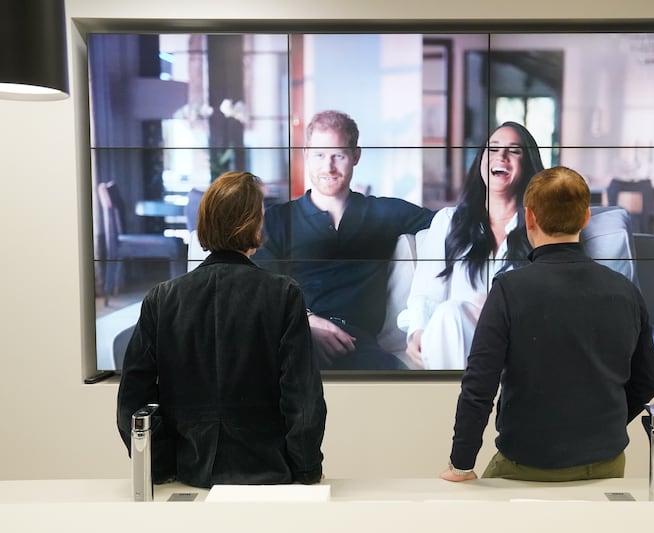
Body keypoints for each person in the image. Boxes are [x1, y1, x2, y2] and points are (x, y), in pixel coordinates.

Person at [441, 166, 654, 483]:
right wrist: (603, 426)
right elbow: (648, 381)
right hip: (606, 466)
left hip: (526, 467)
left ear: (529, 218)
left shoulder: (508, 289)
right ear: (585, 218)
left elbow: (479, 387)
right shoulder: (625, 290)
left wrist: (460, 464)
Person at [117, 171, 326, 489]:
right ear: (254, 223)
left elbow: (133, 400)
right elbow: (303, 398)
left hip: (188, 474)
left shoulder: (162, 298)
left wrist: (159, 466)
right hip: (268, 475)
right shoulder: (283, 293)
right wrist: (307, 470)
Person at [254, 110, 434, 371]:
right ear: (306, 155)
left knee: (402, 389)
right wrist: (309, 322)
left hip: (357, 344)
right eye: (319, 155)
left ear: (356, 156)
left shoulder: (385, 213)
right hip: (293, 338)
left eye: (338, 155)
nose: (328, 167)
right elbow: (260, 289)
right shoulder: (277, 220)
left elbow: (453, 224)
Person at [403, 122, 544, 370]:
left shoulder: (544, 228)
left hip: (521, 350)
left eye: (514, 150)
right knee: (450, 313)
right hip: (459, 344)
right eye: (494, 148)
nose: (501, 155)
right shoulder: (449, 222)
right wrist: (418, 332)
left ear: (528, 165)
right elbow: (425, 295)